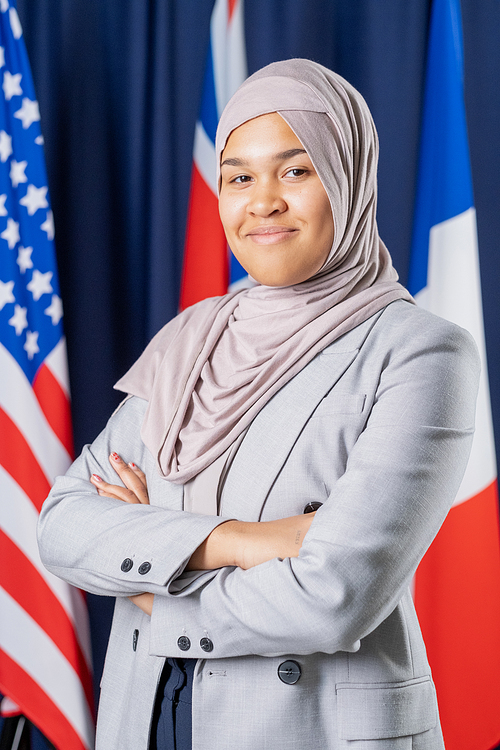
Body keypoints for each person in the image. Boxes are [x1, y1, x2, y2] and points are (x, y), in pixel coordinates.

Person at [38, 59, 479, 750]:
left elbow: (333, 596)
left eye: (296, 170)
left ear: (349, 176)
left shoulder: (421, 353)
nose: (262, 201)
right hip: (146, 718)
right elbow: (63, 523)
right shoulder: (193, 339)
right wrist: (242, 542)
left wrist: (151, 584)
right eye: (239, 176)